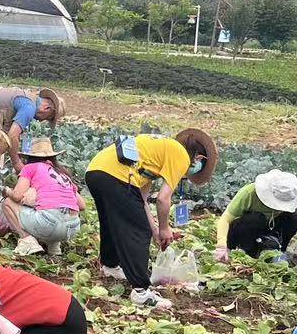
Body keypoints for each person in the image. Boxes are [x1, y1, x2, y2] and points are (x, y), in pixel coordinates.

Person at [84, 128, 217, 308]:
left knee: (112, 221)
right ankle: (141, 292)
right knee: (139, 231)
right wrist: (163, 229)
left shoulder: (159, 152)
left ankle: (110, 266)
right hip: (116, 176)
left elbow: (141, 201)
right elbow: (163, 199)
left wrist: (156, 229)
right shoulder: (181, 156)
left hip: (96, 171)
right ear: (199, 159)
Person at [1, 138, 83, 259]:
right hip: (72, 228)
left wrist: (6, 191)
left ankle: (28, 241)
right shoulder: (62, 173)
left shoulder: (31, 168)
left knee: (7, 203)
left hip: (49, 223)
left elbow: (17, 196)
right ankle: (54, 248)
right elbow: (82, 205)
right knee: (50, 206)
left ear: (29, 157)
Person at [216, 170, 297, 261]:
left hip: (270, 227)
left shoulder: (289, 195)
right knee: (256, 218)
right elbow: (225, 219)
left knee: (294, 218)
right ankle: (248, 252)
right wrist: (221, 246)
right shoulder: (249, 193)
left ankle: (278, 251)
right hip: (245, 231)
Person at [0, 86, 62, 171]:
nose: (42, 121)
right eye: (49, 118)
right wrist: (16, 162)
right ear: (47, 108)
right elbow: (13, 135)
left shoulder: (27, 99)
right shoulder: (29, 107)